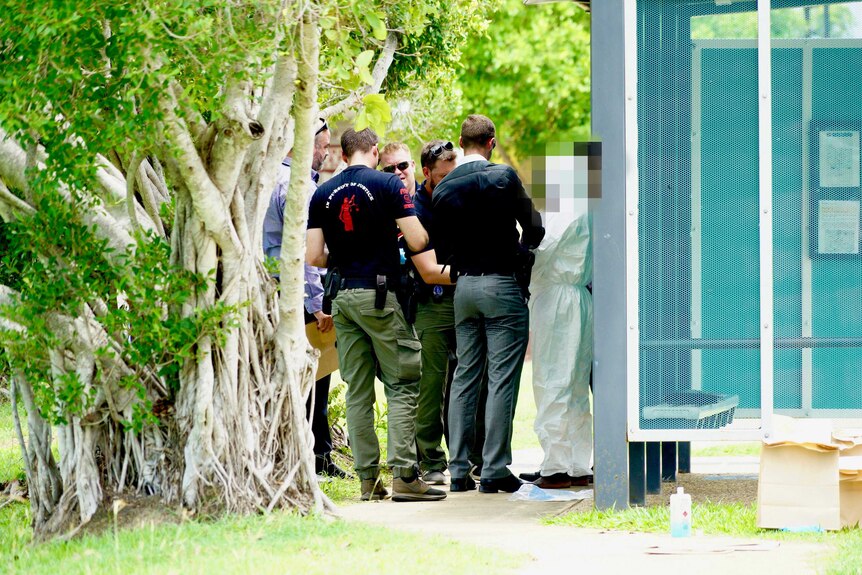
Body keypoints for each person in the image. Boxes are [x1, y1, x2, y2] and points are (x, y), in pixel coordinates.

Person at [306, 127, 446, 502]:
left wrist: (348, 256)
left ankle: (368, 480)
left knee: (357, 390)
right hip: (381, 296)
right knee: (402, 383)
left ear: (345, 151)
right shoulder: (388, 185)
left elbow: (314, 256)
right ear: (372, 150)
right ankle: (404, 474)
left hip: (343, 297)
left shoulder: (321, 193)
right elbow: (417, 240)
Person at [432, 115, 544, 494]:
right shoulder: (504, 177)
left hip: (463, 288)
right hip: (502, 286)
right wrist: (521, 250)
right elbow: (535, 227)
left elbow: (442, 247)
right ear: (491, 142)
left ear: (461, 143)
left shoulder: (443, 189)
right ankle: (494, 467)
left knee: (464, 377)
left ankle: (459, 469)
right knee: (501, 379)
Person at [262, 118, 350, 479]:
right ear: (298, 145)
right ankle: (317, 456)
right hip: (296, 297)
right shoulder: (295, 185)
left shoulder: (266, 180)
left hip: (268, 293)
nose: (323, 154)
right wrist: (317, 305)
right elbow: (304, 255)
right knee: (316, 377)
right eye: (320, 146)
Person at [520, 185, 593, 489]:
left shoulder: (566, 206)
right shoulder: (585, 205)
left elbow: (543, 248)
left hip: (557, 297)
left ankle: (556, 466)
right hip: (575, 296)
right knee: (573, 383)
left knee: (552, 378)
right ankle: (576, 462)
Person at [403, 139, 458, 485]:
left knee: (468, 383)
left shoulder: (458, 194)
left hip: (462, 300)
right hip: (432, 303)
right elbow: (427, 270)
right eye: (442, 176)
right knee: (432, 385)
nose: (450, 181)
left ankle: (470, 457)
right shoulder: (416, 209)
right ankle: (432, 460)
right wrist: (473, 269)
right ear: (426, 173)